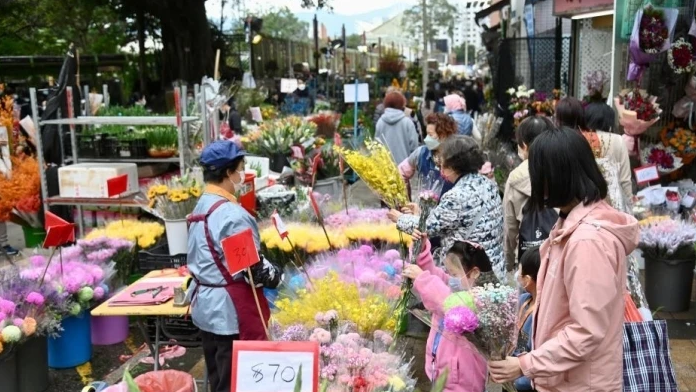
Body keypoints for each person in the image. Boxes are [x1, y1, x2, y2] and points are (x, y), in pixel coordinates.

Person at [489, 127, 639, 392]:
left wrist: (525, 364)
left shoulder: (587, 241)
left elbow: (586, 330)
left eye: (537, 173)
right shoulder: (571, 225)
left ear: (555, 177)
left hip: (581, 383)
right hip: (568, 378)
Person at [187, 141, 283, 392]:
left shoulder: (202, 205)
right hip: (228, 312)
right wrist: (276, 276)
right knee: (235, 381)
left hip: (206, 307)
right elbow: (251, 269)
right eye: (241, 168)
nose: (243, 174)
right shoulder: (230, 215)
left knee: (218, 376)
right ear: (228, 173)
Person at [557, 97, 646, 309]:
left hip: (584, 210)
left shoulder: (572, 140)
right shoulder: (616, 141)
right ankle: (628, 309)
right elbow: (625, 180)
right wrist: (629, 213)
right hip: (612, 210)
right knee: (621, 267)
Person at [389, 136, 506, 281]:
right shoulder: (487, 183)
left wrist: (400, 219)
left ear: (454, 166)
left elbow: (428, 228)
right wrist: (419, 212)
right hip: (493, 268)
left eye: (442, 164)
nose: (440, 169)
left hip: (470, 276)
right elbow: (453, 219)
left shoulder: (456, 195)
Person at [402, 238, 498, 392]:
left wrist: (423, 279)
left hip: (461, 381)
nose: (450, 277)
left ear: (474, 273)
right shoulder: (459, 287)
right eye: (448, 272)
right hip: (443, 373)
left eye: (454, 273)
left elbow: (446, 302)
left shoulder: (480, 300)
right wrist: (421, 250)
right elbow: (437, 276)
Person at [503, 116, 555, 273]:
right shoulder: (562, 168)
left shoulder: (515, 177)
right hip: (560, 253)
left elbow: (510, 227)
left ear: (524, 145)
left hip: (528, 259)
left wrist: (509, 262)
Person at [398, 113, 458, 197]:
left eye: (430, 135)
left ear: (443, 135)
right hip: (425, 207)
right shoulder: (421, 153)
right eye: (426, 134)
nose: (426, 139)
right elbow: (400, 174)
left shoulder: (459, 157)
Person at [512, 246, 541, 391]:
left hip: (526, 383)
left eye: (520, 270)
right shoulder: (523, 300)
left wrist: (517, 380)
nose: (517, 275)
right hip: (512, 373)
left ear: (528, 280)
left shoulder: (542, 315)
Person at [374, 90, 419, 164]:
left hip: (385, 167)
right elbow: (414, 146)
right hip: (405, 167)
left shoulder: (380, 122)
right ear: (401, 104)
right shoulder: (407, 122)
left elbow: (376, 146)